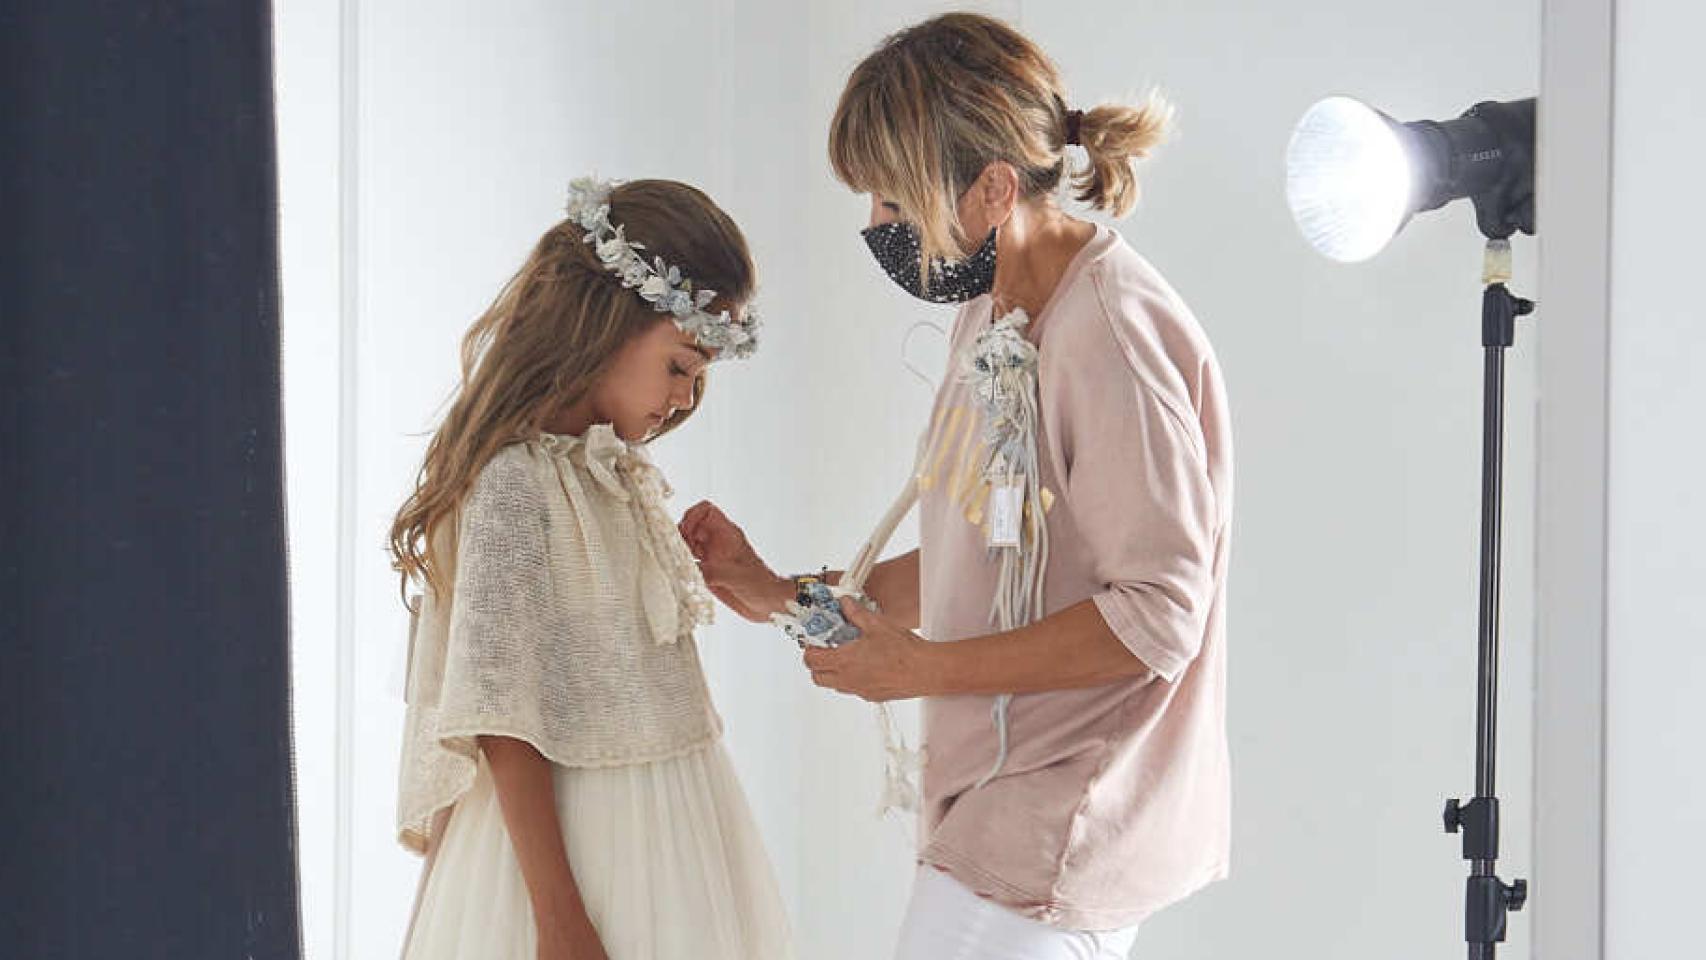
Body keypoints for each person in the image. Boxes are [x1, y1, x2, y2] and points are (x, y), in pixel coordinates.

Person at [681, 13, 1234, 959]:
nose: (876, 229)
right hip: (998, 811)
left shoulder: (1110, 334)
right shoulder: (996, 307)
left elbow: (1158, 615)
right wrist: (784, 595)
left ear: (992, 189)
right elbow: (982, 544)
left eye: (894, 204)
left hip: (1060, 827)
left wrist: (923, 671)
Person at [389, 177, 792, 960]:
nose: (683, 399)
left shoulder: (611, 472)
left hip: (676, 816)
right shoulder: (514, 483)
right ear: (607, 324)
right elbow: (500, 716)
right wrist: (557, 918)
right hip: (572, 841)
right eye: (679, 366)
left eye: (699, 379)